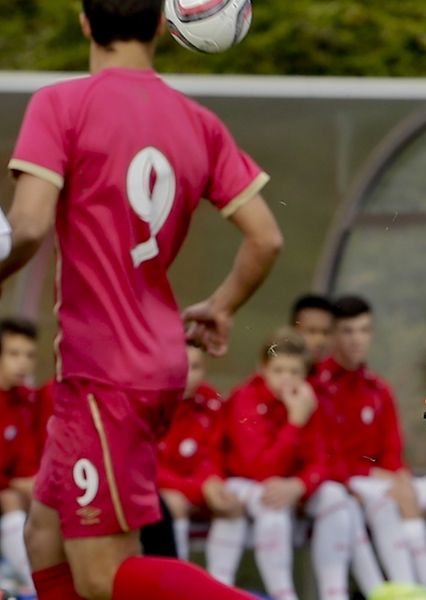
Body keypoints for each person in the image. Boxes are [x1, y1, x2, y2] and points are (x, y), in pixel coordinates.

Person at [1, 1, 282, 598]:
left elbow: (25, 229)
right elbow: (265, 237)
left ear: (83, 21)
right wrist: (222, 305)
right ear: (162, 24)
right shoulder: (197, 121)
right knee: (43, 535)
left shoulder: (61, 105)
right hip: (152, 360)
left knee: (102, 573)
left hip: (104, 371)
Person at [310, 295, 426, 586]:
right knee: (400, 497)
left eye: (364, 330)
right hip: (344, 484)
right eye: (348, 331)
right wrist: (381, 475)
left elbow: (392, 450)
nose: (357, 340)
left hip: (383, 480)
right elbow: (323, 457)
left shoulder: (378, 388)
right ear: (334, 335)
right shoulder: (317, 387)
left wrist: (398, 474)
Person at [221, 330, 362, 600]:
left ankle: (335, 594)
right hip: (246, 488)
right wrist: (295, 422)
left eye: (295, 371)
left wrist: (299, 485)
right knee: (271, 504)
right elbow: (260, 470)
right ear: (262, 368)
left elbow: (322, 462)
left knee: (336, 498)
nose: (286, 378)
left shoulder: (306, 399)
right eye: (278, 370)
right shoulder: (245, 399)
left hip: (289, 489)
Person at [155, 344, 247, 582]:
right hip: (165, 495)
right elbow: (149, 467)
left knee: (232, 505)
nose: (187, 375)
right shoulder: (151, 402)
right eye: (180, 367)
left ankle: (221, 585)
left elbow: (214, 454)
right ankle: (177, 587)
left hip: (198, 491)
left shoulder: (211, 401)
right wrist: (199, 488)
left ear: (204, 370)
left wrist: (213, 483)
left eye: (195, 367)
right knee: (171, 505)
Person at [0, 318, 40, 591]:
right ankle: (36, 583)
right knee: (11, 498)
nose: (22, 363)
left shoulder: (28, 402)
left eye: (29, 355)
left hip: (19, 494)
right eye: (14, 354)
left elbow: (29, 462)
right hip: (7, 495)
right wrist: (16, 484)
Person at [291, 294, 335, 365]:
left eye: (326, 332)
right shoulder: (273, 374)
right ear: (293, 331)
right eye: (312, 331)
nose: (320, 340)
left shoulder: (348, 374)